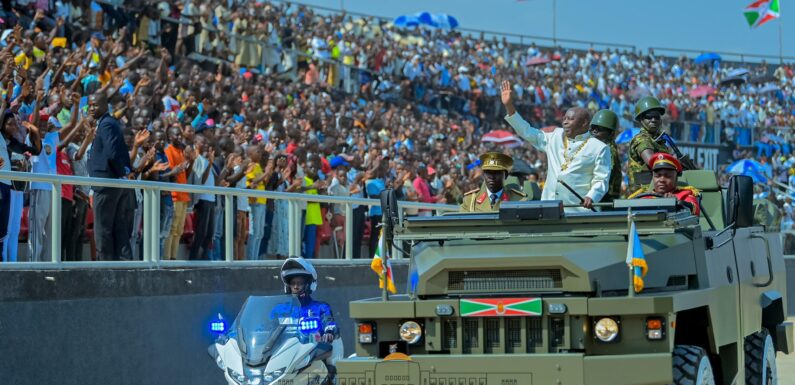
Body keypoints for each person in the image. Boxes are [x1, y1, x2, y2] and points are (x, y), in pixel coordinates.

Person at [501, 80, 611, 211]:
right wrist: (509, 106)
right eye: (564, 119)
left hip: (579, 210)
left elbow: (601, 179)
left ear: (584, 123)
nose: (565, 122)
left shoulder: (599, 148)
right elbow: (526, 131)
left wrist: (592, 196)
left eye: (570, 119)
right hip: (549, 208)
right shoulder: (554, 136)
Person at [86, 92, 135, 260]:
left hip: (106, 183)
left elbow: (112, 153)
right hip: (113, 182)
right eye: (90, 105)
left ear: (105, 106)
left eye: (95, 105)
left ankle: (105, 268)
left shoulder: (106, 124)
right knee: (117, 227)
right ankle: (123, 263)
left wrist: (121, 173)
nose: (92, 108)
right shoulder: (110, 122)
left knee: (102, 229)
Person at [628, 153, 700, 216]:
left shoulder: (684, 195)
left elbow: (695, 210)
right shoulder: (643, 198)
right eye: (657, 176)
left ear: (676, 179)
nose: (661, 180)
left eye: (667, 176)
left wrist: (676, 204)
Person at [628, 96, 674, 192]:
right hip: (643, 193)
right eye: (649, 117)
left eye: (656, 117)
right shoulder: (641, 139)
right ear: (641, 119)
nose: (653, 120)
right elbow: (653, 163)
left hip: (658, 190)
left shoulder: (659, 140)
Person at [460, 152, 528, 212]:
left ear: (506, 175)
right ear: (483, 174)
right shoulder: (470, 200)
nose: (491, 177)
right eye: (488, 172)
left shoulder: (518, 200)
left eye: (496, 173)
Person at [589, 110, 622, 202]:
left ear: (611, 133)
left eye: (599, 128)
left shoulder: (607, 149)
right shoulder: (598, 146)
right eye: (593, 127)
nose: (594, 131)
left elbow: (605, 174)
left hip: (604, 197)